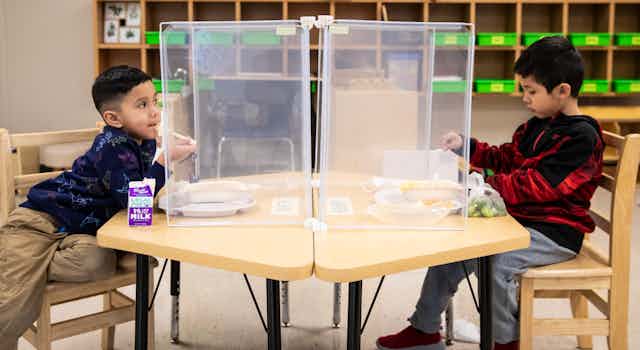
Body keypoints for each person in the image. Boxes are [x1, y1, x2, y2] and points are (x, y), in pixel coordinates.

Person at [376, 36, 604, 350]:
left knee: (498, 264)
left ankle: (505, 342)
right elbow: (505, 158)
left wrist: (481, 186)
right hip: (519, 221)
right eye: (524, 88)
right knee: (452, 249)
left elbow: (539, 186)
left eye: (531, 90)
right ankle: (424, 329)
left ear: (562, 91)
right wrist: (468, 146)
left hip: (555, 232)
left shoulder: (582, 137)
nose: (525, 97)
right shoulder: (535, 125)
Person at [0, 65, 196, 350]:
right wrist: (165, 163)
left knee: (99, 262)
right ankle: (14, 259)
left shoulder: (142, 141)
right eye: (142, 105)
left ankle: (25, 263)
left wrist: (163, 157)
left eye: (155, 101)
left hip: (78, 231)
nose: (154, 111)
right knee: (12, 305)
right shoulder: (112, 145)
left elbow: (136, 205)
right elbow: (135, 202)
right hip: (38, 222)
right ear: (113, 118)